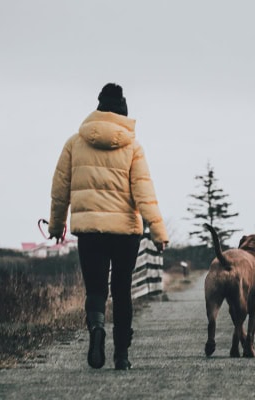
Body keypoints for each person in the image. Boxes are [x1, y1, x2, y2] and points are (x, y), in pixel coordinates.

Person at [48, 83, 169, 370]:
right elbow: (144, 192)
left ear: (98, 109)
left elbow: (60, 188)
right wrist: (158, 231)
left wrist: (56, 225)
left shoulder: (74, 143)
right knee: (123, 290)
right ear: (123, 113)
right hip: (125, 233)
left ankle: (97, 329)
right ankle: (122, 356)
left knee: (96, 290)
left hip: (89, 231)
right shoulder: (133, 147)